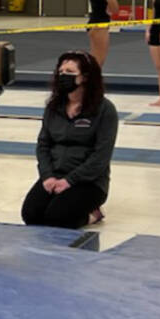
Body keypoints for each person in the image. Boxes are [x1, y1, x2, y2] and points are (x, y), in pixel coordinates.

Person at [22, 51, 117, 228]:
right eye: (61, 72)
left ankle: (93, 215)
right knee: (31, 215)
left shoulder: (105, 110)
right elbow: (43, 145)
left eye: (70, 72)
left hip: (89, 181)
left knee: (57, 218)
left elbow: (101, 156)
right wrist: (47, 176)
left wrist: (70, 181)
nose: (63, 76)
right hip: (56, 174)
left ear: (85, 77)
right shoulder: (53, 107)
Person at [86, 0, 119, 70]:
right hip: (100, 24)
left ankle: (91, 85)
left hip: (93, 22)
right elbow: (115, 8)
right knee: (98, 61)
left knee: (94, 58)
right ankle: (92, 86)